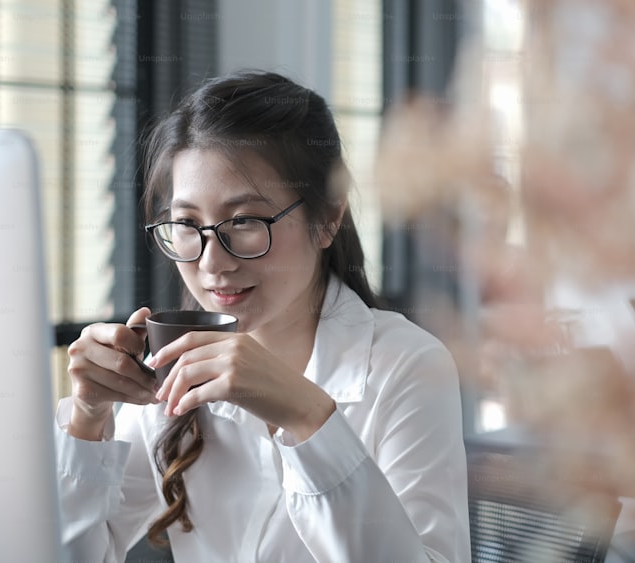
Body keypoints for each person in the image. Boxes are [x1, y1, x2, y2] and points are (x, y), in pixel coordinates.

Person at [55, 70, 471, 562]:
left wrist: (307, 418)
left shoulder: (409, 366)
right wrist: (87, 419)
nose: (212, 264)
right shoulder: (174, 370)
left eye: (245, 221)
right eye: (187, 224)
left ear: (327, 219)